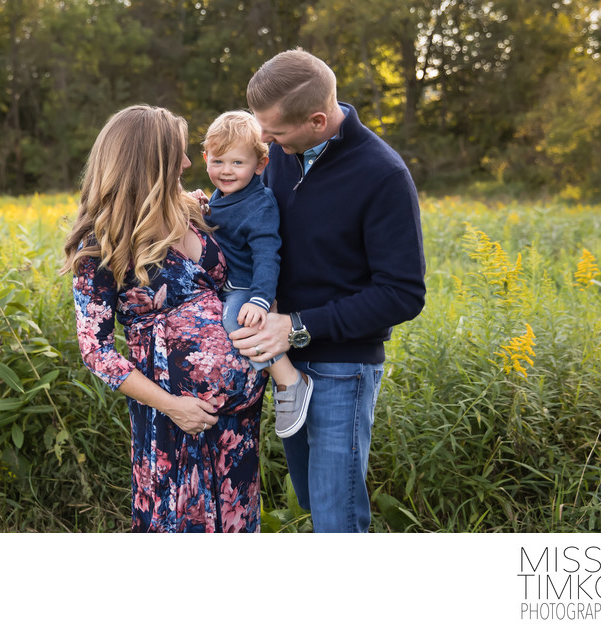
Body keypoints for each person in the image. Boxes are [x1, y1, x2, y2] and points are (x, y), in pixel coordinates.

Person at [230, 49, 427, 532]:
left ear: (318, 120)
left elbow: (403, 293)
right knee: (313, 500)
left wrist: (295, 327)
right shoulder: (280, 154)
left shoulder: (382, 175)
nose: (265, 141)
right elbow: (257, 224)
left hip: (341, 367)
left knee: (336, 518)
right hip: (285, 364)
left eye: (274, 132)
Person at [61, 105, 267, 533]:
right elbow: (95, 351)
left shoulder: (201, 210)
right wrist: (173, 406)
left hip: (236, 422)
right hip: (174, 420)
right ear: (149, 160)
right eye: (179, 153)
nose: (191, 163)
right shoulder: (103, 242)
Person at [200, 110, 313, 438]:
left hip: (250, 286)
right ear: (206, 159)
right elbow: (216, 219)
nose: (226, 171)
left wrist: (261, 300)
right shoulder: (221, 196)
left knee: (236, 321)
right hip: (229, 281)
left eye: (238, 163)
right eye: (218, 161)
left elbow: (267, 257)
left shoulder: (259, 205)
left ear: (260, 165)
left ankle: (289, 380)